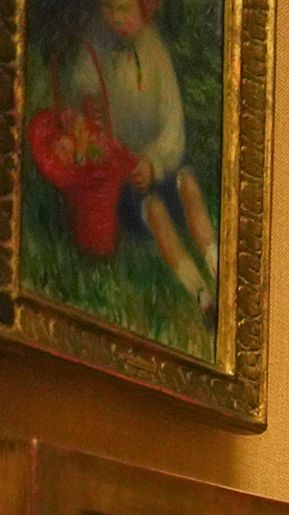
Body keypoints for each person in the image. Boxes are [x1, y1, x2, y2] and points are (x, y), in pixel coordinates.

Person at [63, 0, 219, 319]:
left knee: (189, 185)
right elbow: (80, 91)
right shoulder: (96, 42)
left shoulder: (155, 50)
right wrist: (88, 104)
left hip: (160, 155)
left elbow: (173, 125)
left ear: (144, 10)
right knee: (156, 211)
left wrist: (154, 162)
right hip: (120, 167)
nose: (116, 19)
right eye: (109, 8)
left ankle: (220, 271)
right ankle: (201, 296)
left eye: (125, 9)